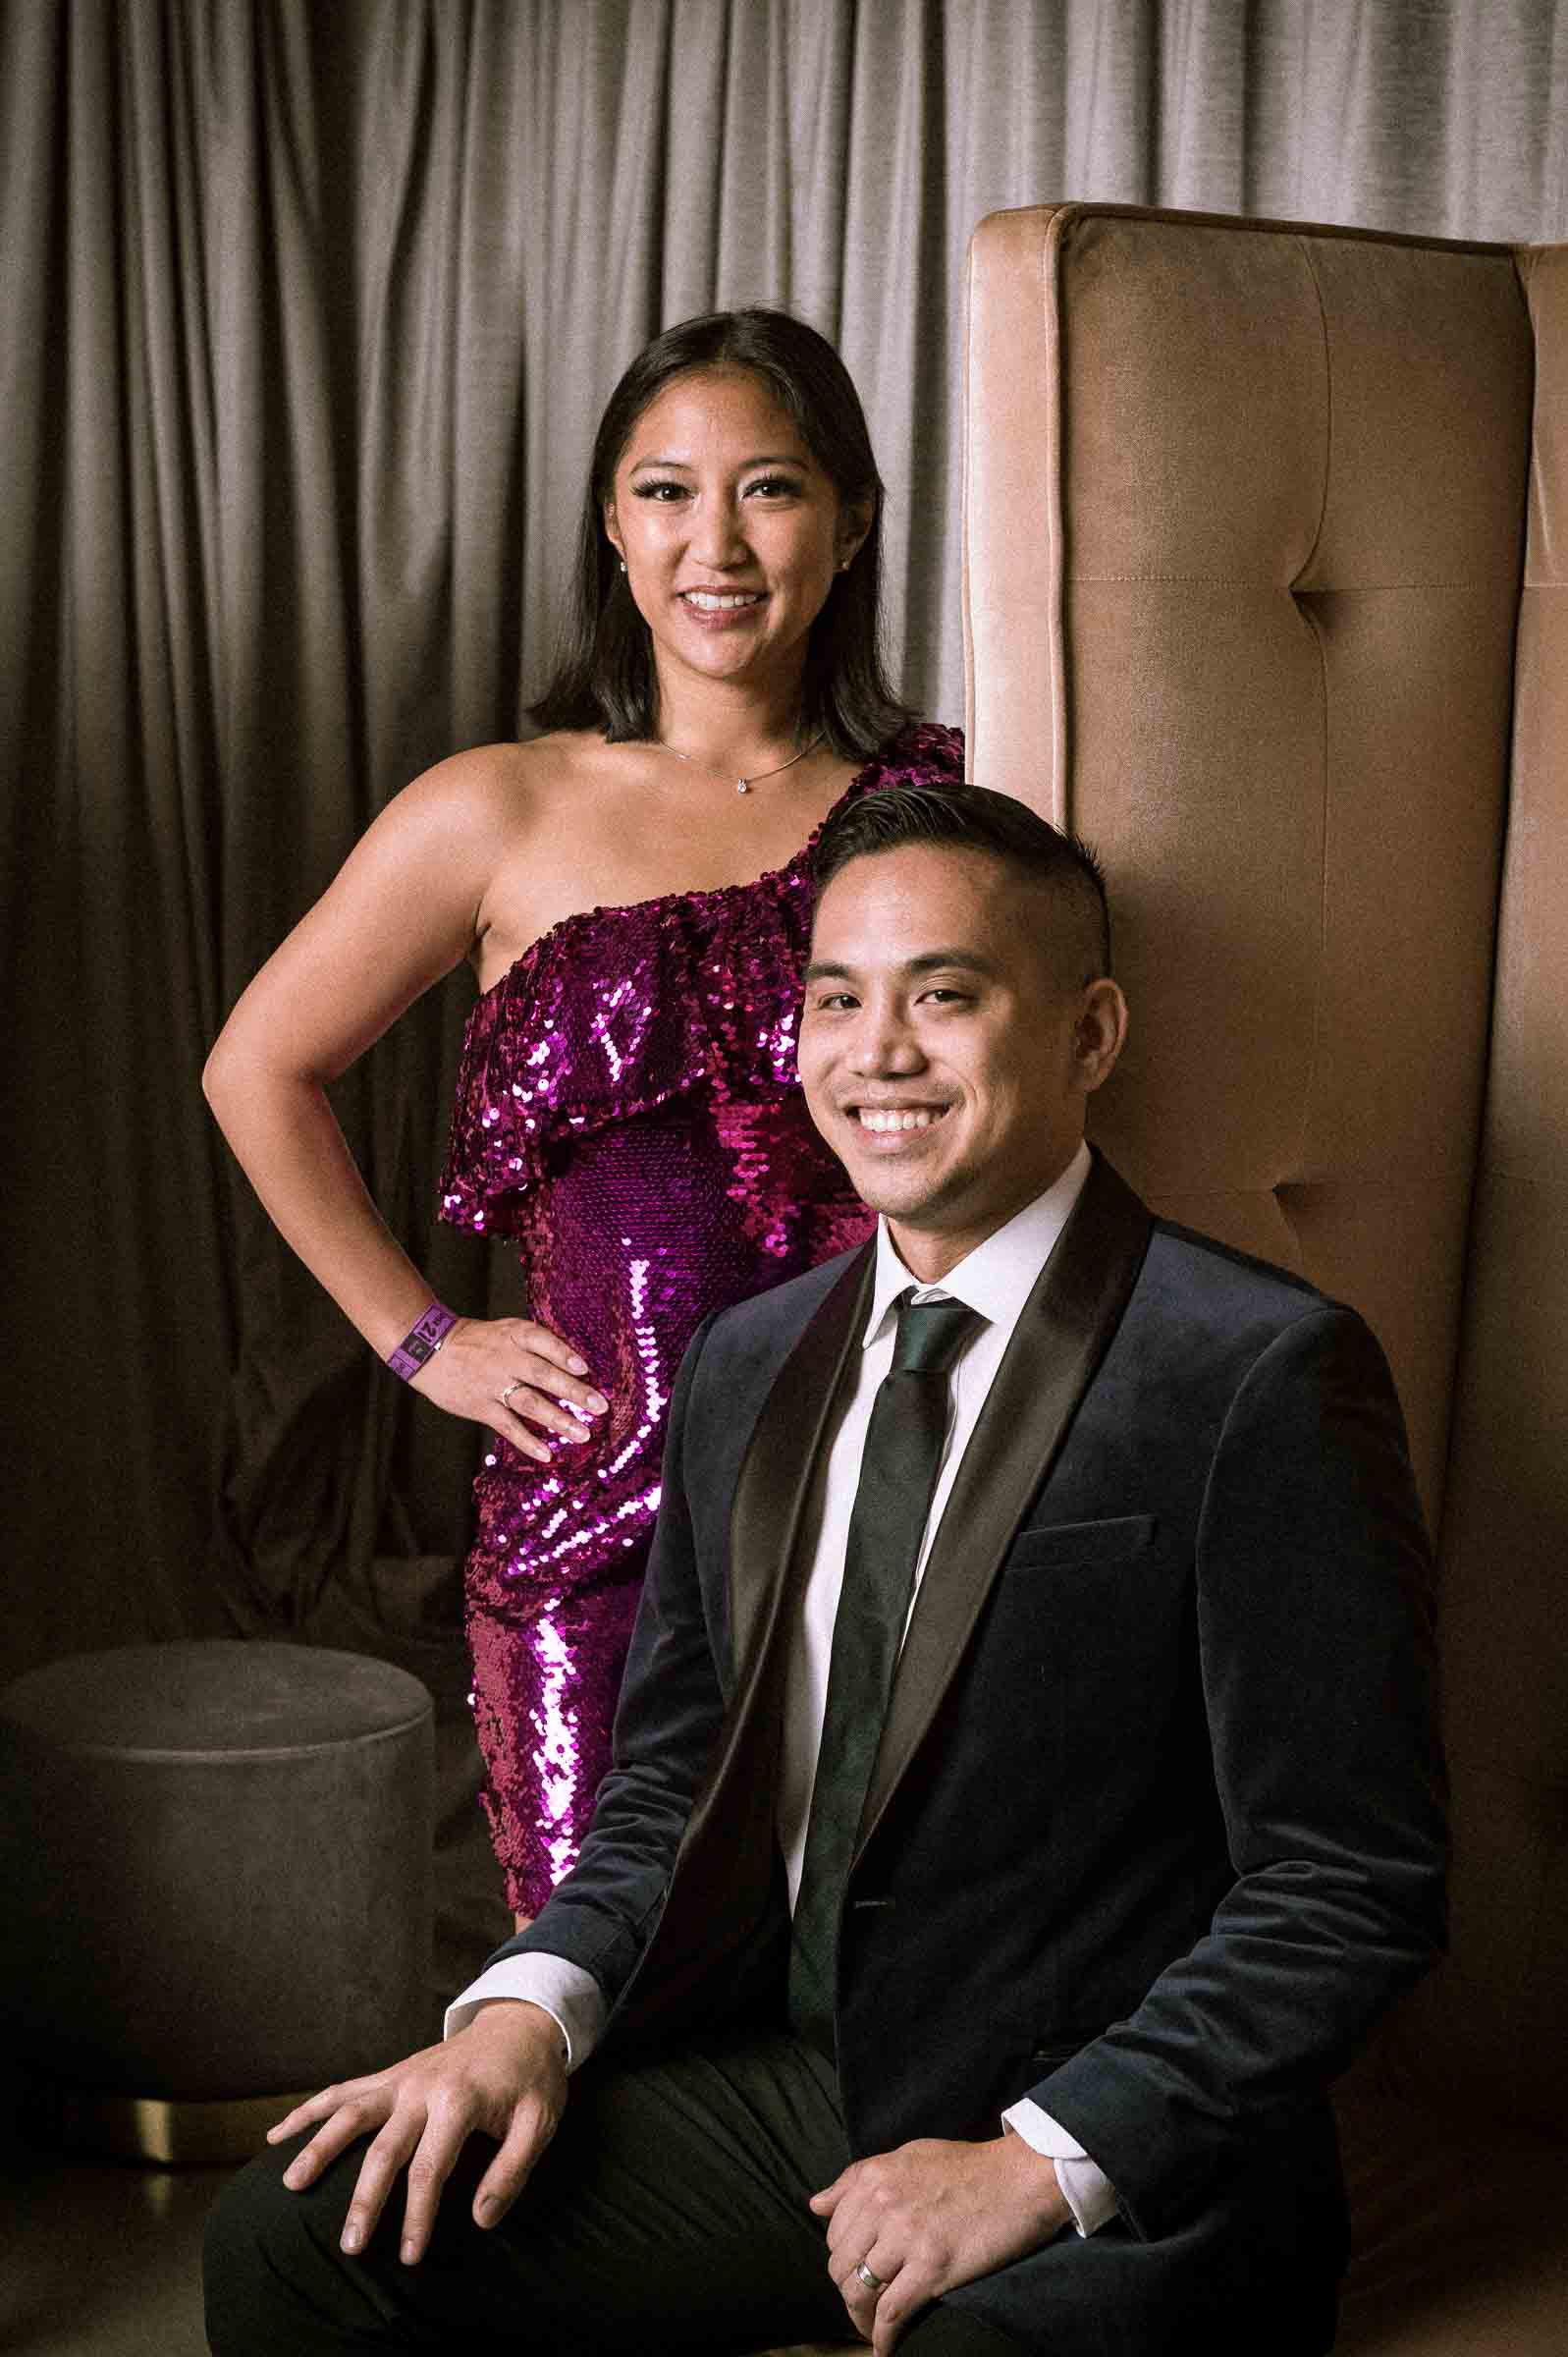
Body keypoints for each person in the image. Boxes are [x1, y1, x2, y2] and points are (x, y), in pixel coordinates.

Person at [203, 783, 1447, 2357]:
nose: (877, 1054)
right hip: (809, 2087)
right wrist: (525, 2013)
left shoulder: (1257, 1369)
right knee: (308, 2234)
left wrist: (1034, 2162)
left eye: (944, 995)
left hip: (1121, 2155)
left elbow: (1346, 1880)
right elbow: (665, 1781)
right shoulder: (749, 1360)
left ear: (1092, 1033)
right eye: (834, 999)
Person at [201, 307, 964, 1920]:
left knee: (891, 1987)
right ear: (612, 529)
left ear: (850, 524)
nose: (717, 541)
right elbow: (253, 1068)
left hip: (900, 1501)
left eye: (767, 490)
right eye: (665, 491)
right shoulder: (501, 804)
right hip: (604, 1514)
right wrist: (424, 1343)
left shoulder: (947, 810)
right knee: (604, 1981)